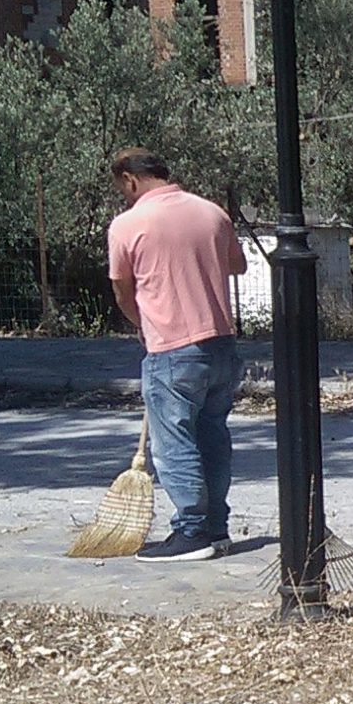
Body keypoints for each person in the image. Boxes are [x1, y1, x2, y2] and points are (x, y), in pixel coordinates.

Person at [106, 148, 247, 562]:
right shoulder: (212, 213)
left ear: (130, 180)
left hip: (171, 347)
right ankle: (217, 527)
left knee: (174, 443)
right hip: (221, 343)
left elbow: (122, 290)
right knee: (213, 435)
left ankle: (191, 532)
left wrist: (143, 324)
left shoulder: (128, 224)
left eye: (122, 189)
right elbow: (237, 265)